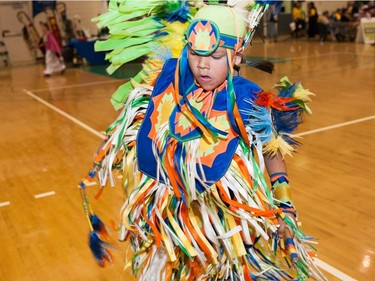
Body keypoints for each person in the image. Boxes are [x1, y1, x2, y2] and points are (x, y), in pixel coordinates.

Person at [80, 3, 327, 281]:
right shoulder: (174, 76)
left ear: (237, 56)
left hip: (221, 231)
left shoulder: (248, 99)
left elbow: (272, 152)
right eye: (195, 53)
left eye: (216, 55)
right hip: (168, 225)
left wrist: (285, 207)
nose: (202, 64)